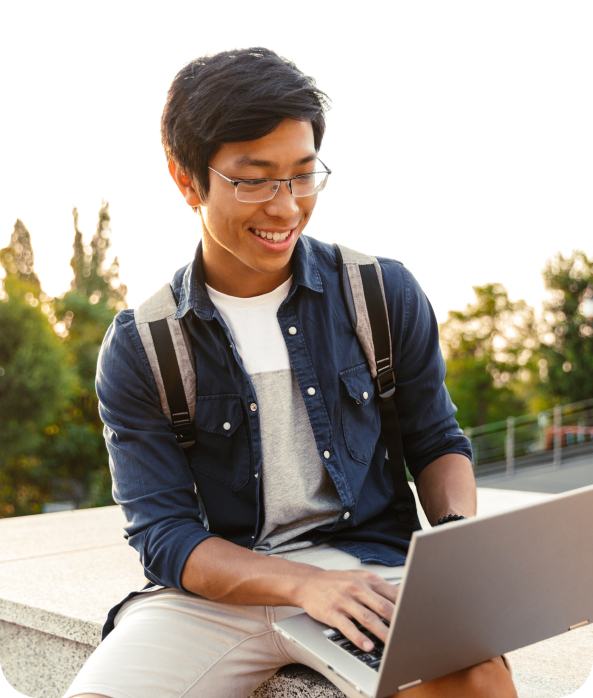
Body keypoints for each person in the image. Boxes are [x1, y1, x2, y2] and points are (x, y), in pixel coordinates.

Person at [66, 47, 517, 698]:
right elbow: (164, 535)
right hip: (215, 594)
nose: (285, 206)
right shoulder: (142, 345)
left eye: (302, 175)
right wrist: (301, 583)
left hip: (367, 566)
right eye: (253, 180)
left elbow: (437, 441)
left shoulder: (379, 294)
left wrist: (453, 544)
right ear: (185, 178)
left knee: (474, 681)